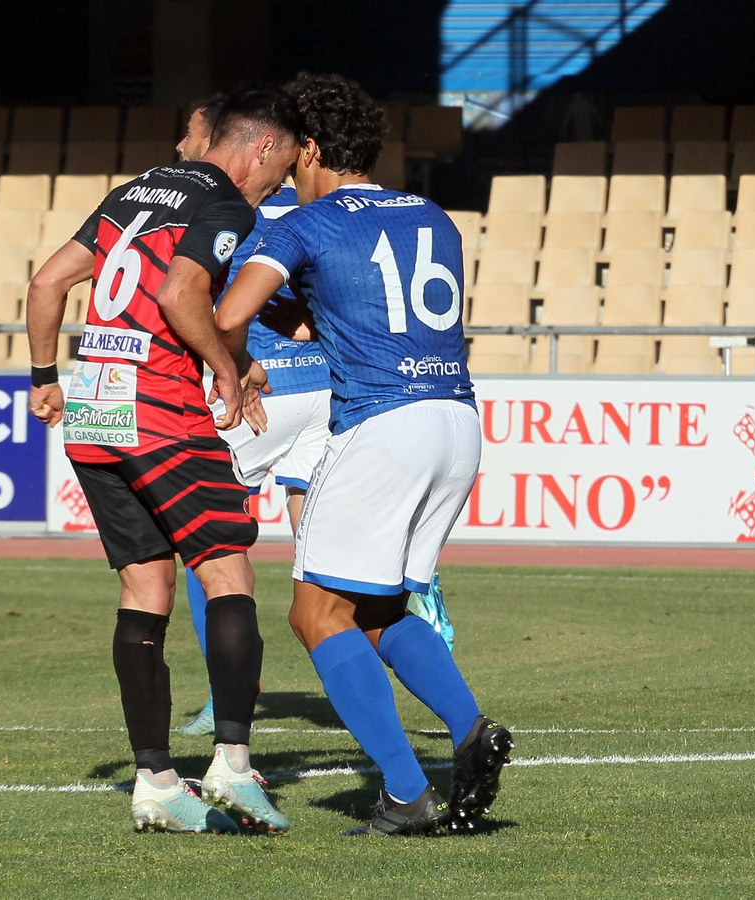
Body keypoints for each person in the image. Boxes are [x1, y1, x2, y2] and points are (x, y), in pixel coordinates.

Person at [216, 73, 511, 837]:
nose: (282, 173)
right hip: (456, 419)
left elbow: (228, 313)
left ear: (310, 148)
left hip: (382, 424)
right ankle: (471, 728)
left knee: (313, 613)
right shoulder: (430, 214)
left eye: (288, 159)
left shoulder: (303, 224)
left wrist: (240, 357)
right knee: (378, 606)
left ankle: (407, 795)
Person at [25, 86, 302, 834]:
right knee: (227, 570)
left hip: (95, 412)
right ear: (262, 149)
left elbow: (48, 280)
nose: (273, 188)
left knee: (145, 587)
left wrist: (44, 376)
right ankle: (234, 767)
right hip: (160, 411)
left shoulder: (132, 190)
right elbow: (185, 293)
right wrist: (222, 364)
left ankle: (154, 781)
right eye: (276, 176)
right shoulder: (225, 201)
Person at [172, 94, 456, 739]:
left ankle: (227, 690)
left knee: (206, 535)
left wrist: (229, 365)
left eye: (190, 135)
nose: (184, 150)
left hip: (257, 387)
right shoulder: (323, 204)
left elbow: (208, 304)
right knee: (321, 532)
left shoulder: (223, 203)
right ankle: (412, 598)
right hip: (329, 386)